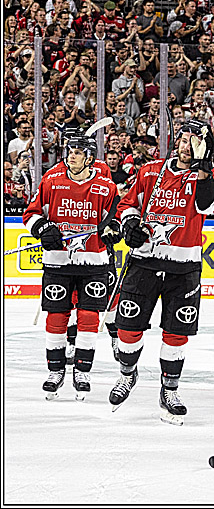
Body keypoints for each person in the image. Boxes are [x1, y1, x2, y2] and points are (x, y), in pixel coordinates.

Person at [110, 119, 214, 424]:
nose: (186, 145)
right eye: (183, 139)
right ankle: (127, 374)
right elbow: (128, 204)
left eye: (194, 141)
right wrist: (130, 225)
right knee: (128, 329)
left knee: (176, 333)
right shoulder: (150, 171)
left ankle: (169, 389)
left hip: (183, 268)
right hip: (144, 262)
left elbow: (207, 205)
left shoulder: (209, 177)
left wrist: (204, 168)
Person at [23, 133, 121, 399]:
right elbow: (31, 213)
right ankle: (55, 371)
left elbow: (117, 218)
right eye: (70, 151)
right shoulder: (51, 181)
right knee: (56, 317)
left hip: (93, 262)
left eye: (78, 152)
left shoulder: (106, 187)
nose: (72, 155)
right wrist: (42, 228)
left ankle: (82, 371)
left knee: (89, 318)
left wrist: (114, 230)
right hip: (58, 262)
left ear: (89, 157)